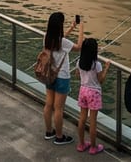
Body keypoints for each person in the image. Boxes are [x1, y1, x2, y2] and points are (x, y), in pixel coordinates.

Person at [41, 12, 83, 145]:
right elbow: (78, 47)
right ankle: (59, 137)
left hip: (49, 75)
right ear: (59, 25)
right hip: (62, 77)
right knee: (58, 108)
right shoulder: (62, 42)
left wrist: (71, 28)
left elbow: (60, 41)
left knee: (48, 104)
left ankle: (49, 131)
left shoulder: (46, 38)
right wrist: (81, 29)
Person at [76, 37, 110, 154]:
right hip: (94, 93)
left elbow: (77, 75)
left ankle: (81, 144)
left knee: (82, 118)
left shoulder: (79, 62)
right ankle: (93, 147)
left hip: (83, 90)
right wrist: (106, 68)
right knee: (93, 121)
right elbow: (101, 80)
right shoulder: (97, 64)